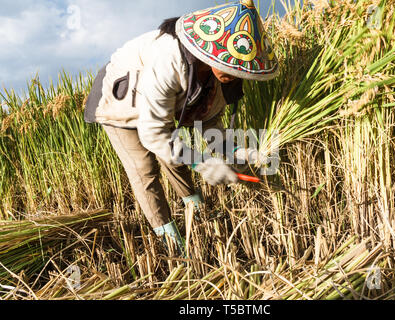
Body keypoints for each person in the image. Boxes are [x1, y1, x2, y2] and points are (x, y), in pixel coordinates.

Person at [84, 0, 279, 254]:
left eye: (237, 69)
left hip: (162, 104)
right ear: (211, 52)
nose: (233, 74)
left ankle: (197, 212)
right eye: (228, 66)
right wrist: (202, 163)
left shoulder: (225, 76)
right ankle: (172, 242)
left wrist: (234, 154)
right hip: (120, 99)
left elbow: (209, 123)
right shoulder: (169, 59)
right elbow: (154, 133)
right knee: (144, 168)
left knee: (176, 157)